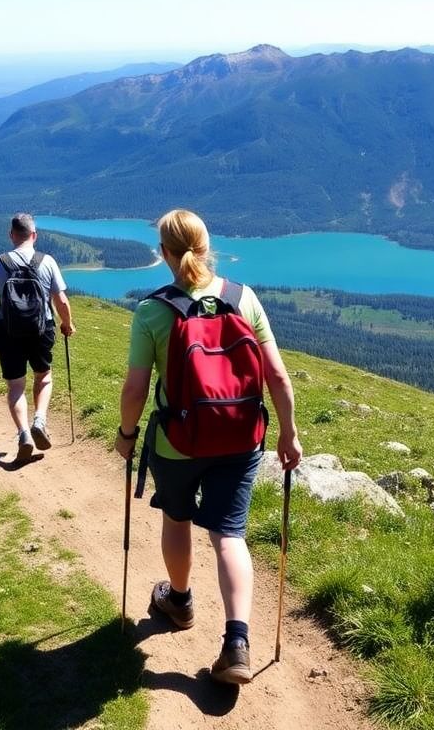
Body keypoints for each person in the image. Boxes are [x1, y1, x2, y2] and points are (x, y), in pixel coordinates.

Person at [113, 208, 303, 685]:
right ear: (206, 245)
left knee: (177, 518)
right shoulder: (243, 298)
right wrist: (288, 432)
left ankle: (178, 601)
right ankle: (237, 641)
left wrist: (127, 435)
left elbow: (135, 389)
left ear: (164, 254)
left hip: (179, 442)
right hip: (241, 439)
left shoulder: (153, 311)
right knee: (230, 534)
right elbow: (276, 374)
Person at [0, 213, 75, 461]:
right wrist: (68, 324)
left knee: (15, 386)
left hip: (7, 331)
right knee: (43, 377)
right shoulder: (47, 261)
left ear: (12, 235)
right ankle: (40, 421)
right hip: (41, 330)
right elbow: (61, 300)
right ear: (34, 235)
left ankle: (23, 434)